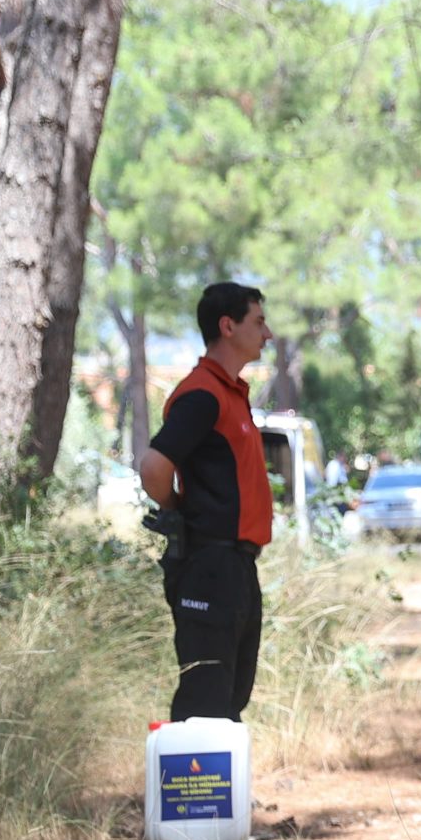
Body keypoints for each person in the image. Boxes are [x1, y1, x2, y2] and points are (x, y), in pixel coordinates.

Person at [141, 282, 275, 724]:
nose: (267, 333)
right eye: (258, 322)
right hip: (209, 565)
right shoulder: (202, 393)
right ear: (227, 325)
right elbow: (154, 467)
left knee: (230, 697)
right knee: (204, 700)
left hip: (236, 566)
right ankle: (189, 794)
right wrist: (178, 512)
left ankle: (220, 796)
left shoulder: (232, 392)